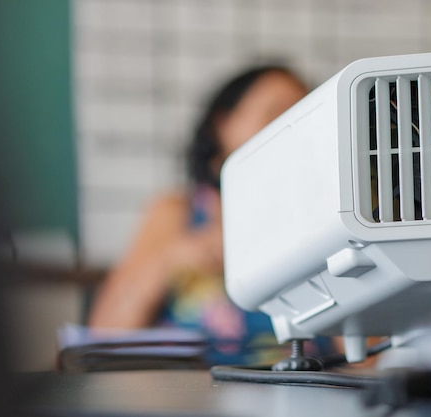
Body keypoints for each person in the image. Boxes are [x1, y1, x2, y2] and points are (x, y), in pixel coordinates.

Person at [88, 65, 315, 364]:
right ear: (223, 125)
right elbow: (103, 335)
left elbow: (368, 358)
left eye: (304, 115)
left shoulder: (322, 221)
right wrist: (176, 257)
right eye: (275, 113)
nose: (291, 128)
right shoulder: (175, 213)